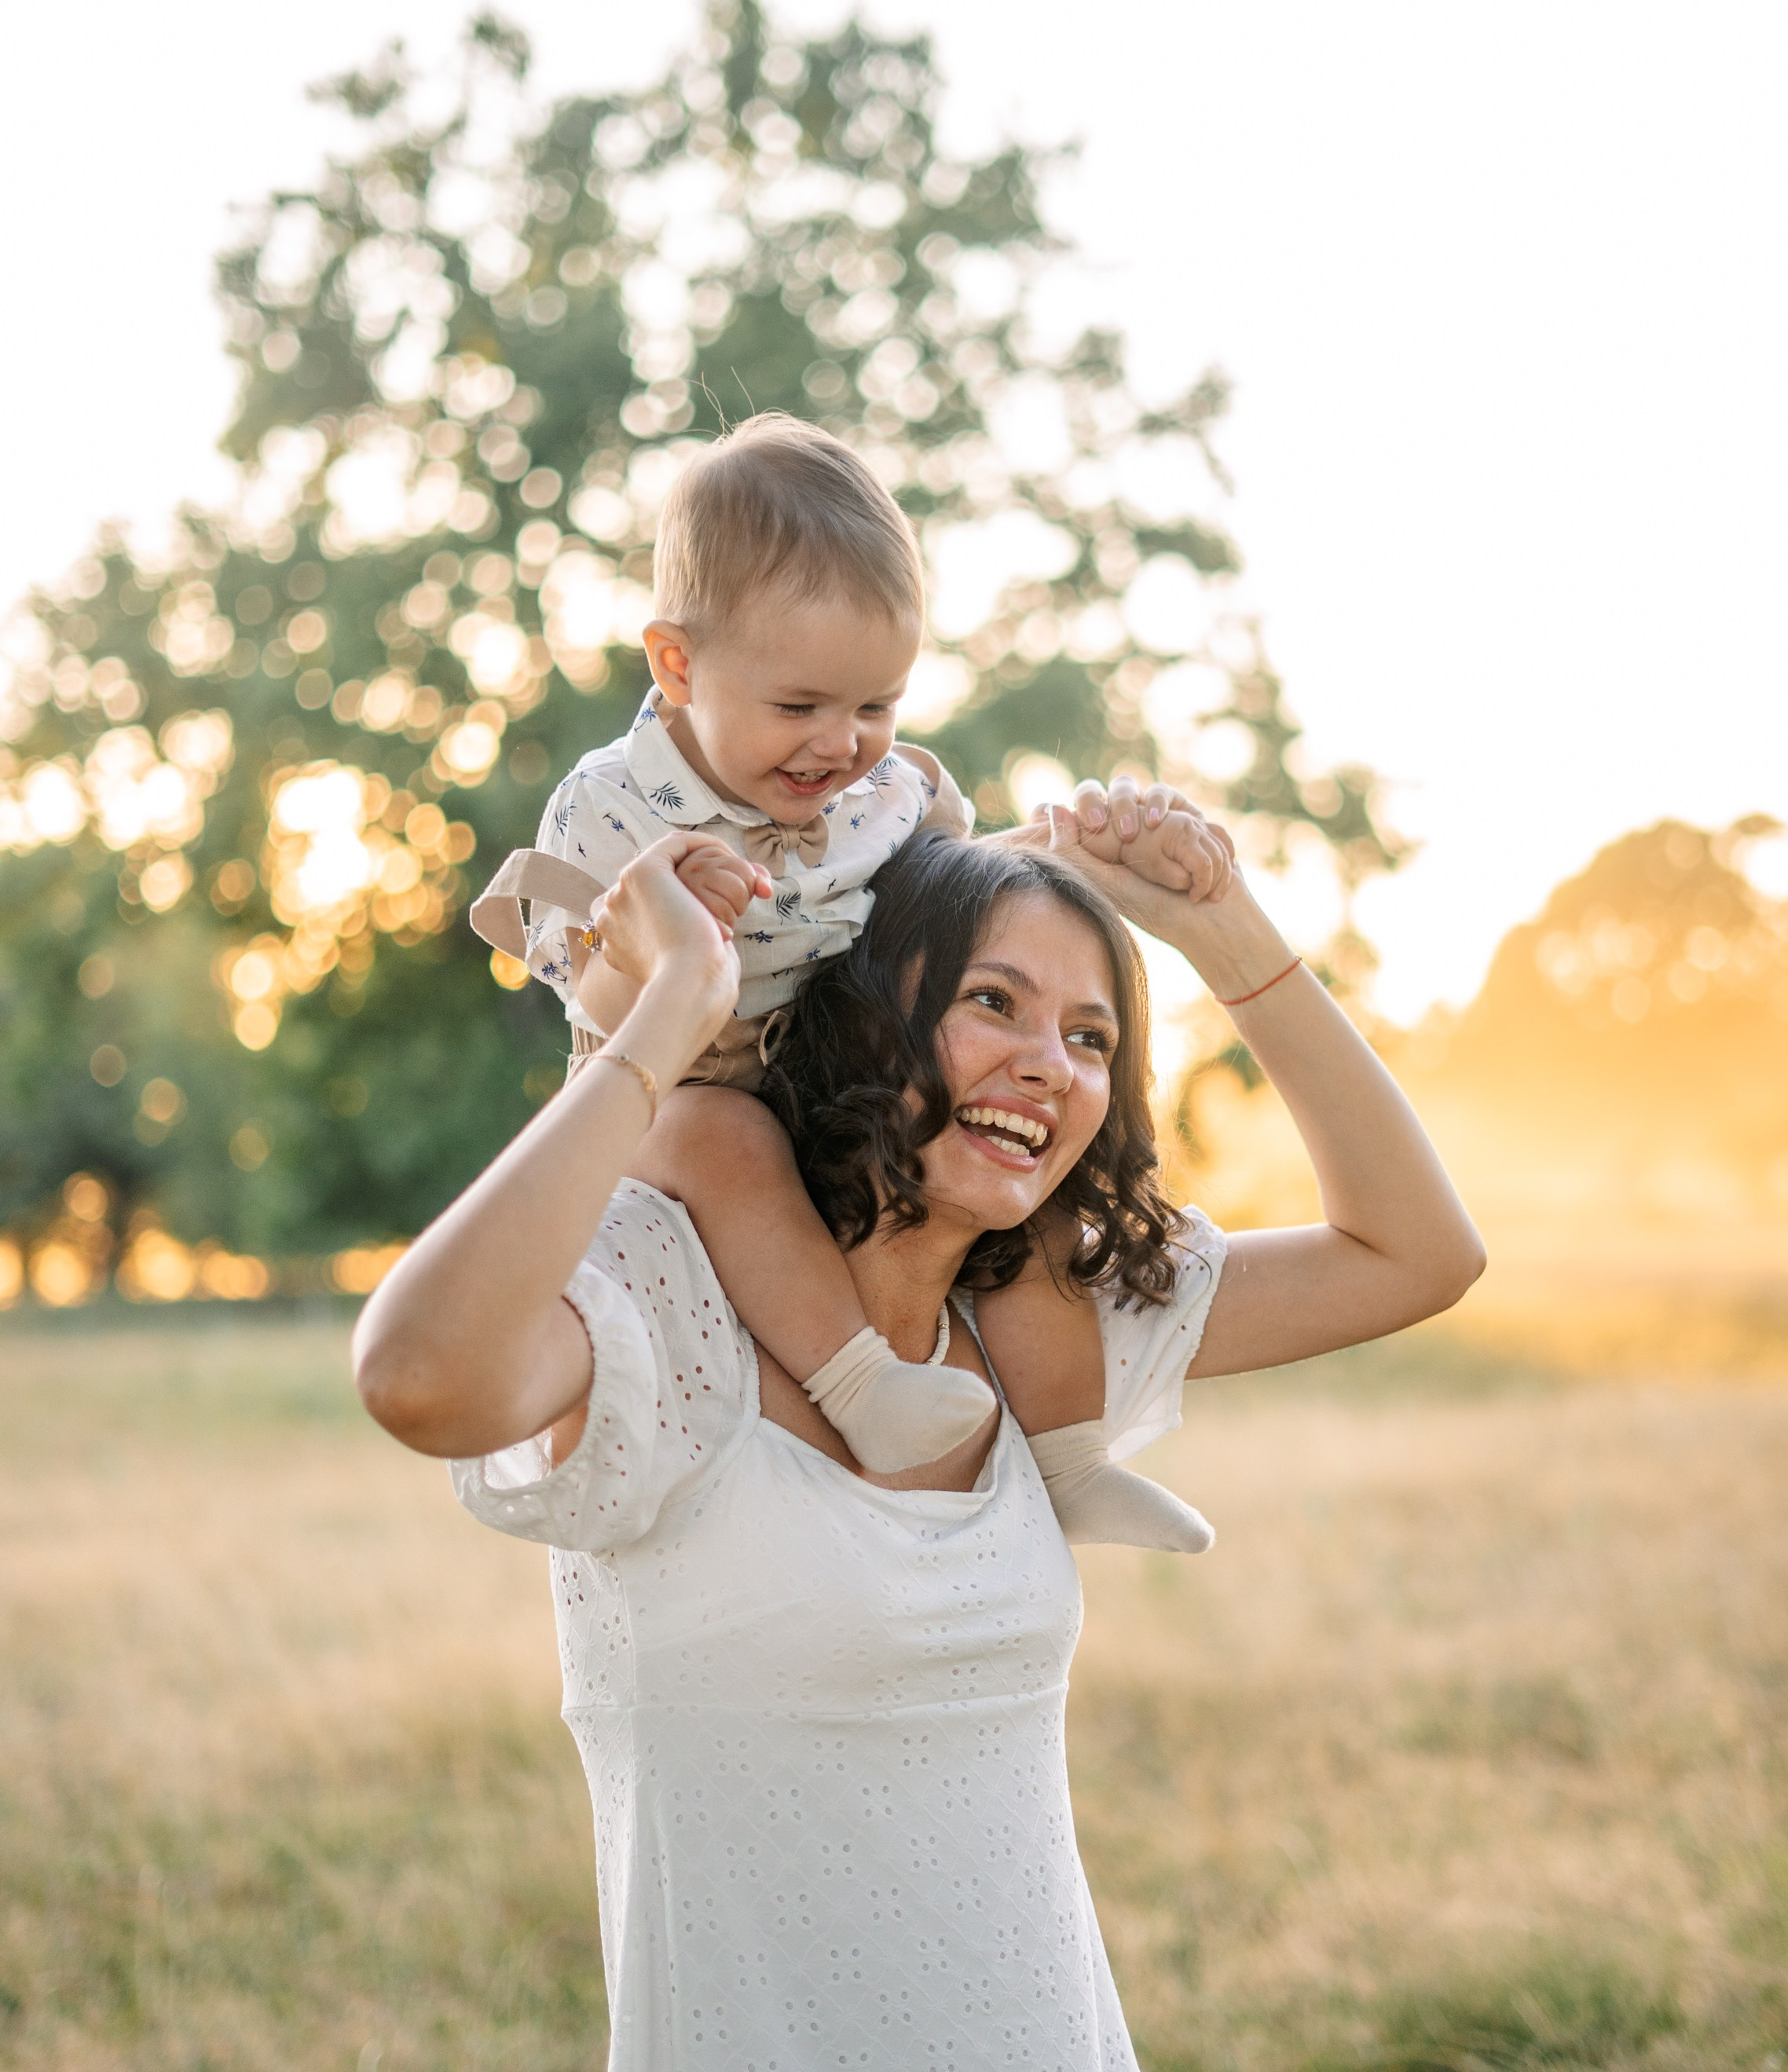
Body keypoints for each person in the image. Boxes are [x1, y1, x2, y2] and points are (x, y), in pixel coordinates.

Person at [355, 813, 1484, 2072]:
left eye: (1091, 1035)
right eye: (997, 1006)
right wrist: (663, 1027)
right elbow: (422, 1376)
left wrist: (1231, 934)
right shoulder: (667, 1305)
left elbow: (1421, 1253)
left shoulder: (1038, 1331)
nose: (1051, 1065)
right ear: (875, 1010)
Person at [471, 412, 1234, 1552]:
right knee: (731, 1143)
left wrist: (1103, 846)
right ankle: (862, 1390)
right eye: (801, 709)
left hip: (836, 1069)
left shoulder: (884, 794)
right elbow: (593, 1004)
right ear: (678, 665)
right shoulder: (611, 808)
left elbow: (956, 888)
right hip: (679, 1086)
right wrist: (661, 947)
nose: (841, 746)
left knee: (1012, 1181)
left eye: (877, 707)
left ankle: (1068, 1458)